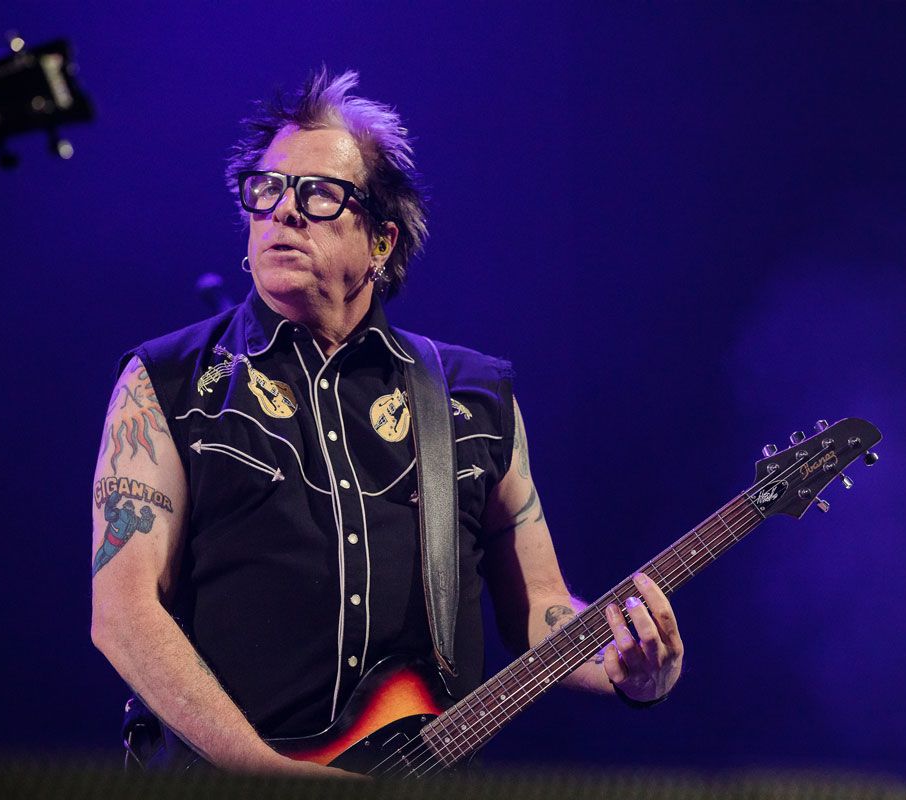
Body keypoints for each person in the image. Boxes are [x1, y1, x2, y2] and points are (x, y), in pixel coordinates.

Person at [89, 69, 683, 778]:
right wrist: (266, 775)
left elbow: (541, 608)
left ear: (381, 241)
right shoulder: (165, 381)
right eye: (266, 188)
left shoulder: (474, 396)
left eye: (318, 193)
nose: (284, 210)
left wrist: (625, 666)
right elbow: (123, 612)